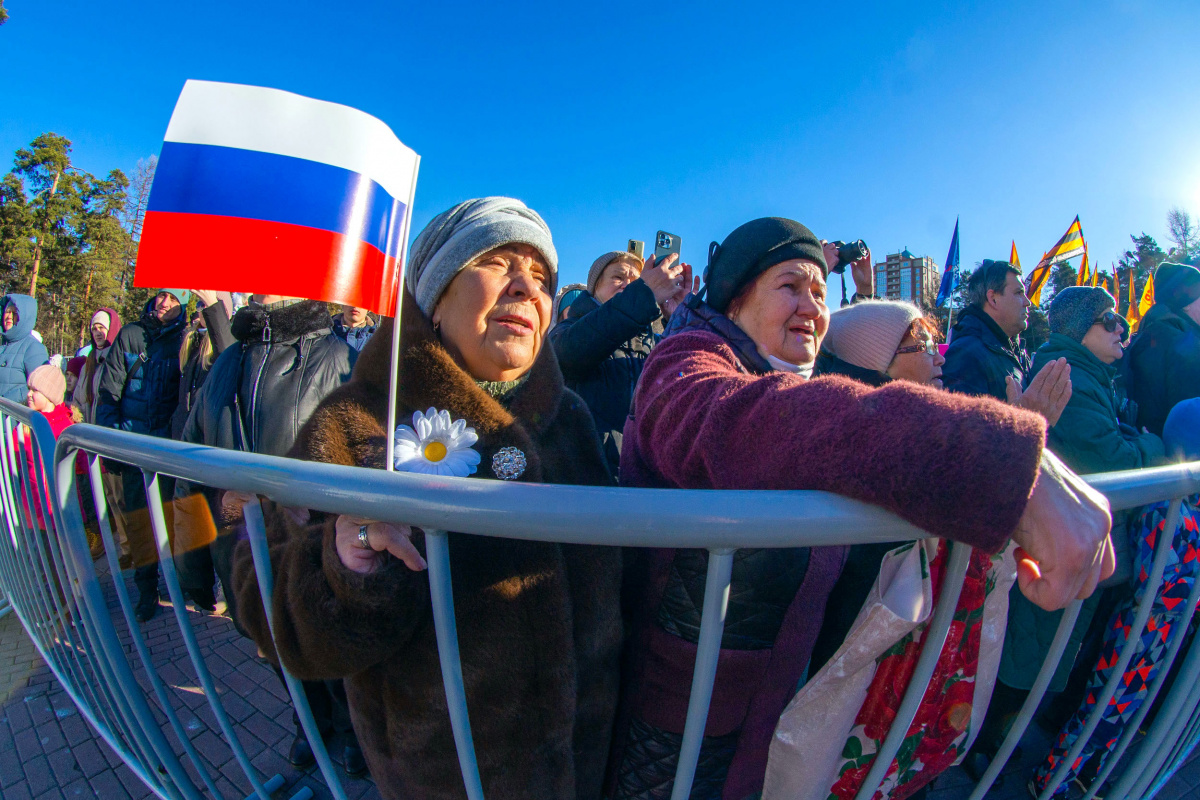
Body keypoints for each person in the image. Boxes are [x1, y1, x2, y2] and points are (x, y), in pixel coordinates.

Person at [608, 217, 1114, 800]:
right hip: (680, 723)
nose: (811, 307)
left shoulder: (799, 376)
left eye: (820, 293)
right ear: (735, 296)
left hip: (772, 713)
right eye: (789, 286)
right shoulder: (683, 360)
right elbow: (736, 419)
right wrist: (1001, 459)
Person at [231, 197, 621, 800]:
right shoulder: (356, 422)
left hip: (585, 762)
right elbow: (262, 603)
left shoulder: (569, 418)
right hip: (441, 775)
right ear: (436, 296)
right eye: (496, 262)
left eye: (542, 276)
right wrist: (344, 562)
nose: (526, 287)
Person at [980, 286, 1165, 783]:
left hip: (1069, 542)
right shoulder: (1069, 373)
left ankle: (999, 743)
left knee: (1045, 650)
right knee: (1030, 652)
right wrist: (1155, 445)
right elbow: (1109, 455)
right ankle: (988, 751)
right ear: (1080, 326)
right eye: (1109, 320)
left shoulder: (1088, 373)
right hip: (1053, 547)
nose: (1121, 327)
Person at [175, 292, 355, 771]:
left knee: (331, 646)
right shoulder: (227, 360)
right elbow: (188, 462)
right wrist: (190, 562)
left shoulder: (337, 355)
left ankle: (352, 725)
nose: (258, 283)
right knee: (274, 645)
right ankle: (307, 721)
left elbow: (366, 457)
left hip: (316, 549)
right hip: (238, 551)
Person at [1032, 398, 1200, 797]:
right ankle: (1050, 779)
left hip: (1161, 632)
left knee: (1125, 708)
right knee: (1104, 703)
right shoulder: (1168, 501)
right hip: (1142, 628)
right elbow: (1152, 576)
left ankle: (1090, 772)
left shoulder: (1184, 501)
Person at [549, 250, 692, 477]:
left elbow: (687, 391)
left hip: (643, 485)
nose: (629, 284)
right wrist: (642, 295)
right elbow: (569, 356)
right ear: (594, 287)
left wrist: (680, 319)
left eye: (636, 280)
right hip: (582, 481)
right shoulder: (567, 330)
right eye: (618, 277)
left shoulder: (656, 341)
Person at [96, 288, 190, 622]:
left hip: (166, 448)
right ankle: (147, 589)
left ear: (184, 304)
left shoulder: (186, 338)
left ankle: (180, 583)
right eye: (161, 296)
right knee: (138, 523)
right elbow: (109, 390)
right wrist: (109, 442)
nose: (164, 304)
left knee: (172, 519)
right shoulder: (131, 334)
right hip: (131, 443)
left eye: (173, 299)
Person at [942, 260, 1072, 424]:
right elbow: (960, 436)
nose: (1027, 301)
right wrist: (1022, 425)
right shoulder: (965, 355)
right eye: (1019, 293)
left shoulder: (1013, 351)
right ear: (993, 298)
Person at [1125, 262, 1200, 436]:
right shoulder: (1182, 343)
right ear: (1185, 303)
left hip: (1159, 450)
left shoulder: (1152, 334)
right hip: (1186, 454)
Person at [170, 290, 235, 439]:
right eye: (201, 304)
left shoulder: (230, 340)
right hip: (181, 429)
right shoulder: (190, 339)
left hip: (206, 431)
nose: (204, 309)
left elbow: (226, 354)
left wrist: (213, 305)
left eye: (209, 305)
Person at [0, 293, 50, 403]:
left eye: (14, 313)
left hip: (15, 416)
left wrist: (5, 401)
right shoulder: (3, 346)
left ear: (24, 317)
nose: (9, 316)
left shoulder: (33, 348)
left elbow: (39, 385)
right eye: (7, 311)